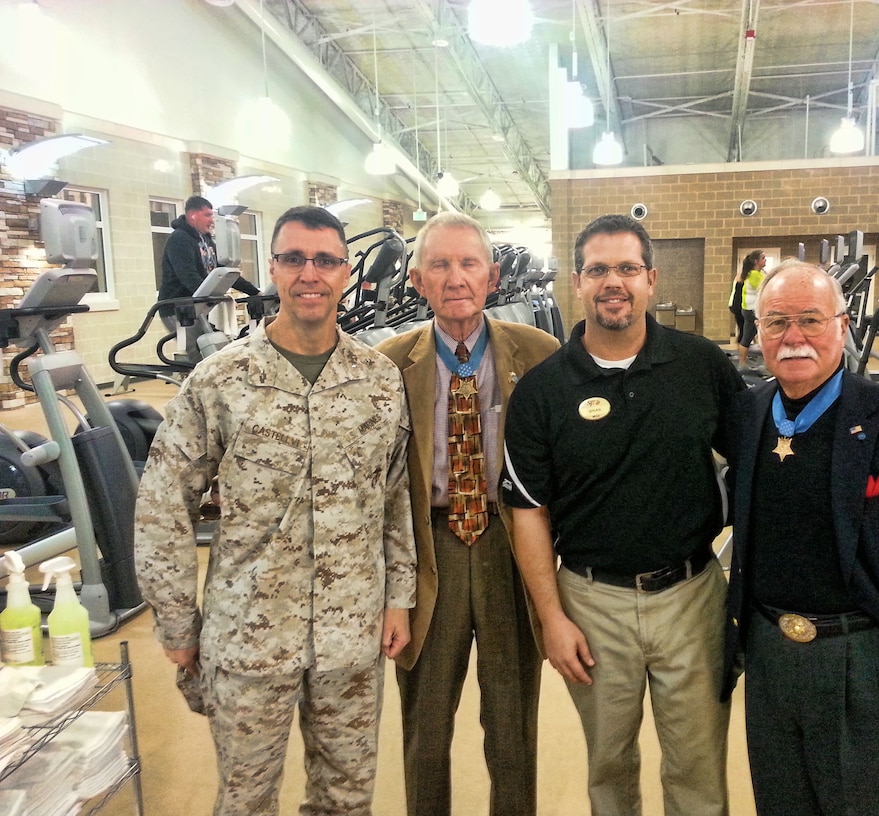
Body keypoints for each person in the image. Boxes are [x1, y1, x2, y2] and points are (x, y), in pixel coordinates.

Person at [135, 205, 416, 816]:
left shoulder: (378, 379)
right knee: (246, 799)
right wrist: (178, 623)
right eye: (294, 259)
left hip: (352, 631)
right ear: (274, 270)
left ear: (345, 273)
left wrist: (400, 597)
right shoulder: (221, 379)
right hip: (249, 634)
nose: (309, 274)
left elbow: (395, 499)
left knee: (346, 798)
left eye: (324, 260)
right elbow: (163, 504)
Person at [501, 213, 745, 816]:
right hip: (591, 602)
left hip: (692, 595)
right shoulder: (543, 390)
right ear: (578, 283)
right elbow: (527, 510)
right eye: (599, 270)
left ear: (651, 279)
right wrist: (551, 617)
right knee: (608, 767)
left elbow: (759, 466)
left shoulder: (701, 366)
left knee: (698, 768)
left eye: (628, 269)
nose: (615, 282)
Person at [723, 259, 879, 816]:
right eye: (776, 322)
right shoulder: (746, 416)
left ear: (843, 325)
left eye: (811, 320)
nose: (793, 337)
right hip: (770, 654)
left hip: (869, 659)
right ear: (759, 331)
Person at [376, 213, 560, 816]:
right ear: (416, 280)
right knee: (425, 726)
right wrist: (389, 590)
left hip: (513, 546)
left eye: (468, 263)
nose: (456, 278)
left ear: (493, 275)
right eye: (440, 264)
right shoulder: (387, 364)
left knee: (512, 723)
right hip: (430, 551)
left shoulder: (538, 354)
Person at [158, 195, 261, 360]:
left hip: (197, 307)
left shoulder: (206, 241)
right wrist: (212, 296)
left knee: (216, 350)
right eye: (207, 215)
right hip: (178, 309)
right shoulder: (179, 239)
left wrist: (255, 293)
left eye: (212, 215)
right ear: (193, 215)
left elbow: (224, 272)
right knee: (201, 356)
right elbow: (189, 277)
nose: (212, 220)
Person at [736, 249, 766, 369]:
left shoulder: (758, 273)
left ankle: (742, 364)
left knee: (748, 337)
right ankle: (742, 364)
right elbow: (766, 288)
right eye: (763, 258)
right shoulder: (753, 275)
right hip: (751, 310)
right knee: (754, 336)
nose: (765, 261)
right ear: (756, 261)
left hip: (751, 309)